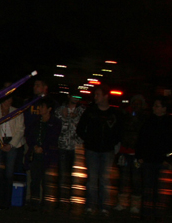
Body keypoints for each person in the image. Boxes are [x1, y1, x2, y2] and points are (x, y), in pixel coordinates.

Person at [77, 85, 121, 215]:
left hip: (107, 150)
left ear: (106, 96)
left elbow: (119, 130)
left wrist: (112, 142)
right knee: (92, 178)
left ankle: (104, 206)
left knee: (104, 179)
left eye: (98, 95)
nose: (95, 97)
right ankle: (90, 205)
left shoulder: (113, 113)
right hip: (92, 149)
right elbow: (80, 128)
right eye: (95, 95)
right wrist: (88, 139)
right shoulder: (91, 112)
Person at [135, 97, 172, 220]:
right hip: (148, 159)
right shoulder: (149, 121)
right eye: (154, 106)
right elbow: (141, 139)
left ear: (164, 108)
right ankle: (146, 211)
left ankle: (157, 211)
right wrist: (140, 156)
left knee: (159, 187)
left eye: (157, 106)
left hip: (161, 159)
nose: (154, 108)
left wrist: (169, 159)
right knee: (147, 186)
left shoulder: (171, 122)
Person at [24, 99, 61, 210]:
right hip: (36, 153)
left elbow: (53, 138)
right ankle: (34, 200)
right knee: (35, 178)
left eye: (42, 107)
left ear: (49, 109)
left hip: (47, 154)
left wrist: (43, 148)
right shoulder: (36, 121)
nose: (40, 109)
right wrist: (34, 146)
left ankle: (44, 201)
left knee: (46, 179)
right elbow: (29, 135)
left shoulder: (55, 122)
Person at [0, 95, 26, 210]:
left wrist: (11, 144)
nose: (7, 102)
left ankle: (7, 201)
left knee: (9, 173)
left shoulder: (17, 112)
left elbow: (20, 129)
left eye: (9, 99)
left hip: (12, 144)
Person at [115, 95, 145, 213]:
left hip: (137, 153)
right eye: (134, 103)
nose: (136, 106)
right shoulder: (125, 115)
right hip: (124, 151)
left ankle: (135, 204)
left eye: (138, 104)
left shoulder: (144, 117)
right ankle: (121, 203)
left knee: (136, 180)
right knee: (123, 178)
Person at [55, 95, 85, 208]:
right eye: (74, 95)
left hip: (76, 147)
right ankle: (61, 199)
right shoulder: (60, 110)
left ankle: (70, 199)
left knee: (73, 175)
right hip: (62, 146)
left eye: (78, 96)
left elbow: (84, 127)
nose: (76, 98)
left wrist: (80, 140)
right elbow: (56, 125)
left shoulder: (82, 111)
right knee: (62, 174)